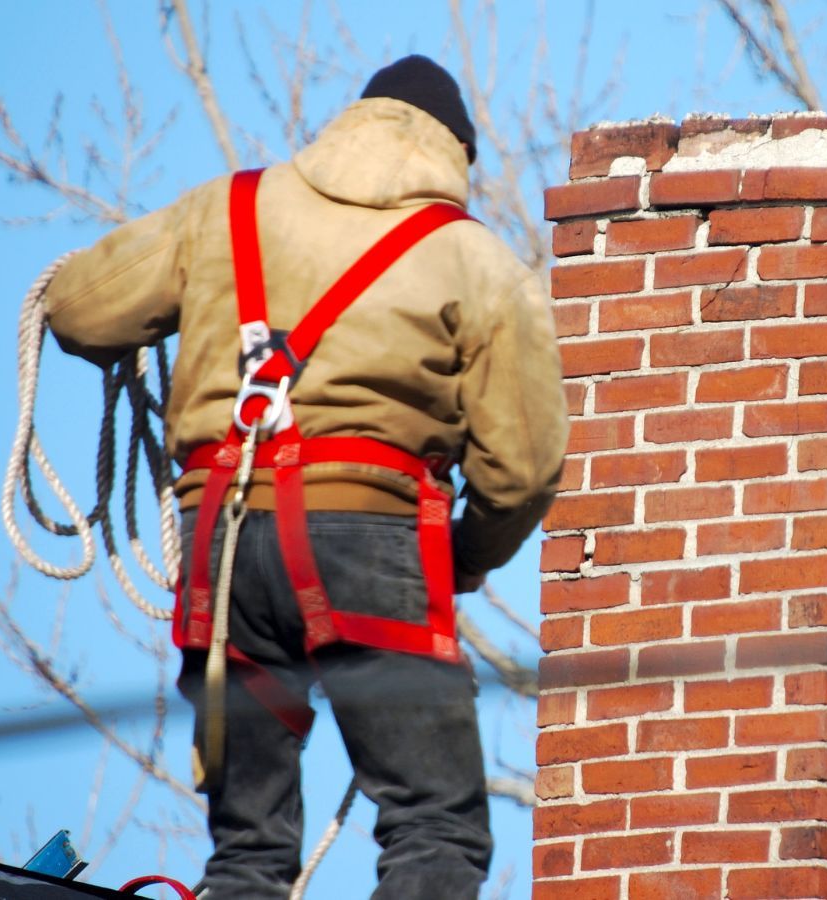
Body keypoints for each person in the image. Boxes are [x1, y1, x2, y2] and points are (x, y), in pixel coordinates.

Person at [43, 55, 568, 899]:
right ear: (457, 156)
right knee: (435, 824)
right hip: (369, 541)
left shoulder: (224, 209)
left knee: (248, 851)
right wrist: (465, 558)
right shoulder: (477, 261)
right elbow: (524, 471)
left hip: (222, 548)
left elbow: (77, 308)